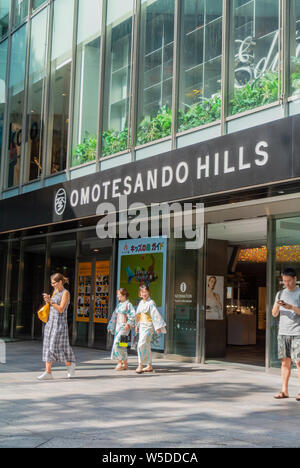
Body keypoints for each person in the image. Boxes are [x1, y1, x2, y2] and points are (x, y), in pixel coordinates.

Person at [37, 273, 76, 381]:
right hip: (50, 323)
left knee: (60, 347)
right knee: (48, 347)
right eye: (51, 283)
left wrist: (51, 301)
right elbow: (52, 306)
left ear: (60, 282)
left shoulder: (65, 293)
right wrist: (48, 301)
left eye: (54, 283)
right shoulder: (55, 291)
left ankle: (70, 364)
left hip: (60, 324)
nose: (52, 285)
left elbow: (61, 309)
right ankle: (48, 372)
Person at [272, 268, 300, 400]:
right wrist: (278, 305)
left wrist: (292, 307)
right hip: (283, 332)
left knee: (299, 362)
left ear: (295, 279)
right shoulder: (280, 293)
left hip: (297, 332)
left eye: (289, 281)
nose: (287, 284)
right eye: (284, 281)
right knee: (285, 362)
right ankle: (284, 391)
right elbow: (274, 314)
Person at [135, 284, 166, 374]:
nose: (144, 293)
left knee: (141, 344)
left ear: (148, 292)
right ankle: (149, 365)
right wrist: (137, 325)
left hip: (149, 326)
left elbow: (155, 315)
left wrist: (158, 327)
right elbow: (138, 315)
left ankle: (140, 365)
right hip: (142, 326)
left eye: (145, 291)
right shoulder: (141, 303)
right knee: (147, 345)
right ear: (139, 293)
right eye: (142, 292)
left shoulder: (151, 302)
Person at [107, 288, 135, 371]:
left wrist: (128, 323)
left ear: (124, 295)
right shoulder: (119, 305)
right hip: (118, 327)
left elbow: (133, 315)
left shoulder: (128, 304)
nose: (117, 296)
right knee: (122, 345)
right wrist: (110, 326)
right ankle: (124, 363)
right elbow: (114, 316)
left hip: (124, 327)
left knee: (117, 343)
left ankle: (120, 362)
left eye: (119, 294)